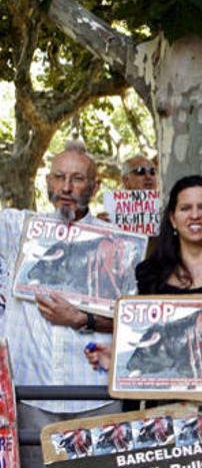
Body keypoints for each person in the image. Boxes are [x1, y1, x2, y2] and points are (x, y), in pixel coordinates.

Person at [0, 141, 122, 468]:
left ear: (95, 187)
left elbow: (133, 320)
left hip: (97, 398)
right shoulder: (16, 229)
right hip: (31, 399)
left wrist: (83, 319)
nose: (66, 187)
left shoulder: (117, 242)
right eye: (58, 177)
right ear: (47, 182)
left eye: (78, 179)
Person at [87, 176, 202, 386]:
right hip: (168, 403)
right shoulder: (150, 272)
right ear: (173, 219)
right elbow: (153, 341)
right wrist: (117, 357)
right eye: (185, 208)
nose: (195, 215)